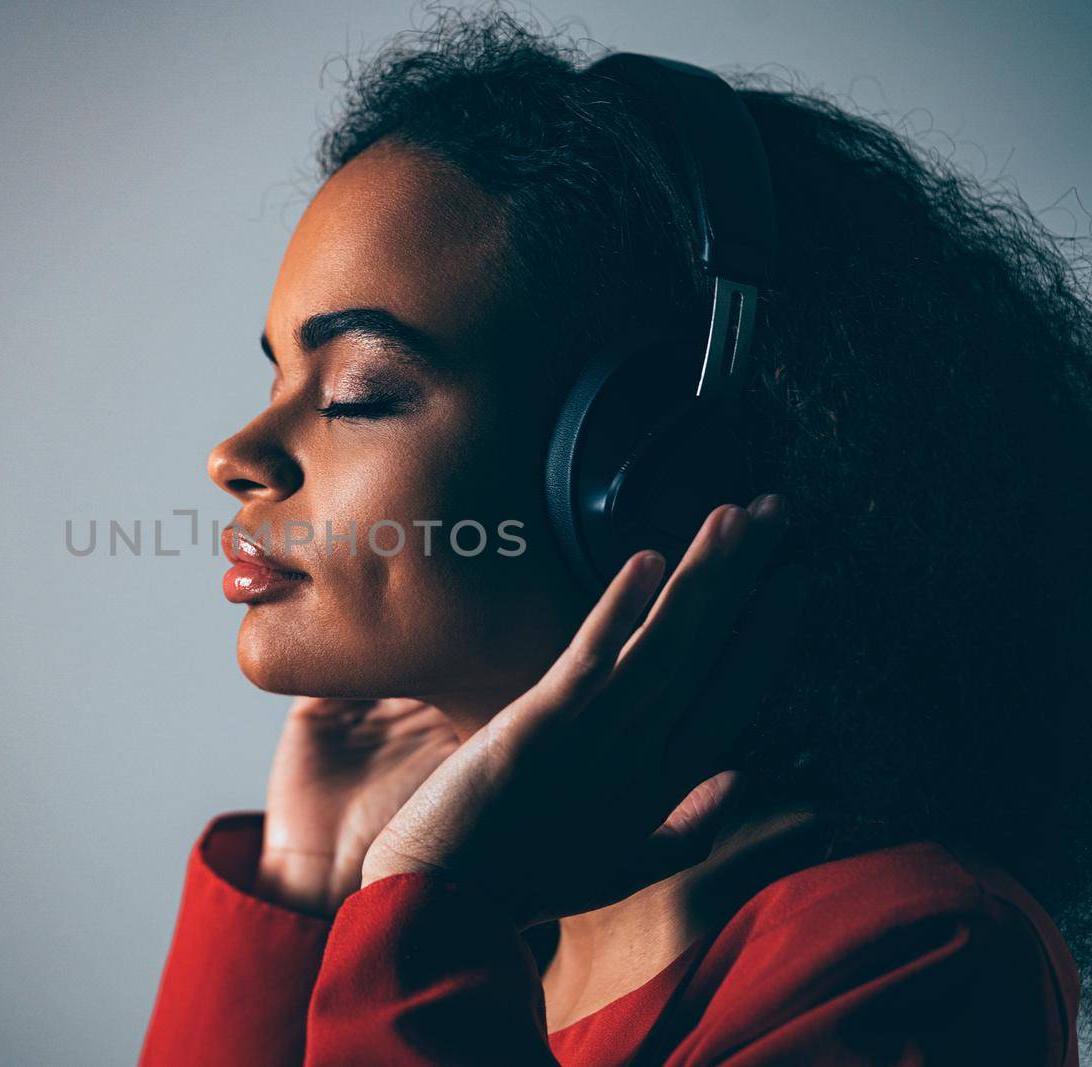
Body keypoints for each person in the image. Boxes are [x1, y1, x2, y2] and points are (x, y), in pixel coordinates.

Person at [139, 11, 1090, 1065]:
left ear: (655, 478)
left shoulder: (912, 948)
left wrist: (432, 914)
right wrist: (316, 880)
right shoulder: (482, 933)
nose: (236, 453)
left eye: (358, 391)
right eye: (277, 374)